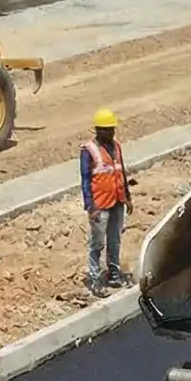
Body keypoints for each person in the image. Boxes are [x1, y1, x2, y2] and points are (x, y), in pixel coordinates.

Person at [80, 108, 132, 296]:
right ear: (98, 130)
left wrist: (128, 197)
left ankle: (114, 273)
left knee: (115, 239)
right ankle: (94, 279)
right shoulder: (89, 151)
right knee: (97, 243)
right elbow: (85, 180)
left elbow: (121, 172)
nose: (110, 133)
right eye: (107, 130)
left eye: (112, 129)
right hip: (100, 204)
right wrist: (90, 206)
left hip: (117, 200)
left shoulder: (116, 146)